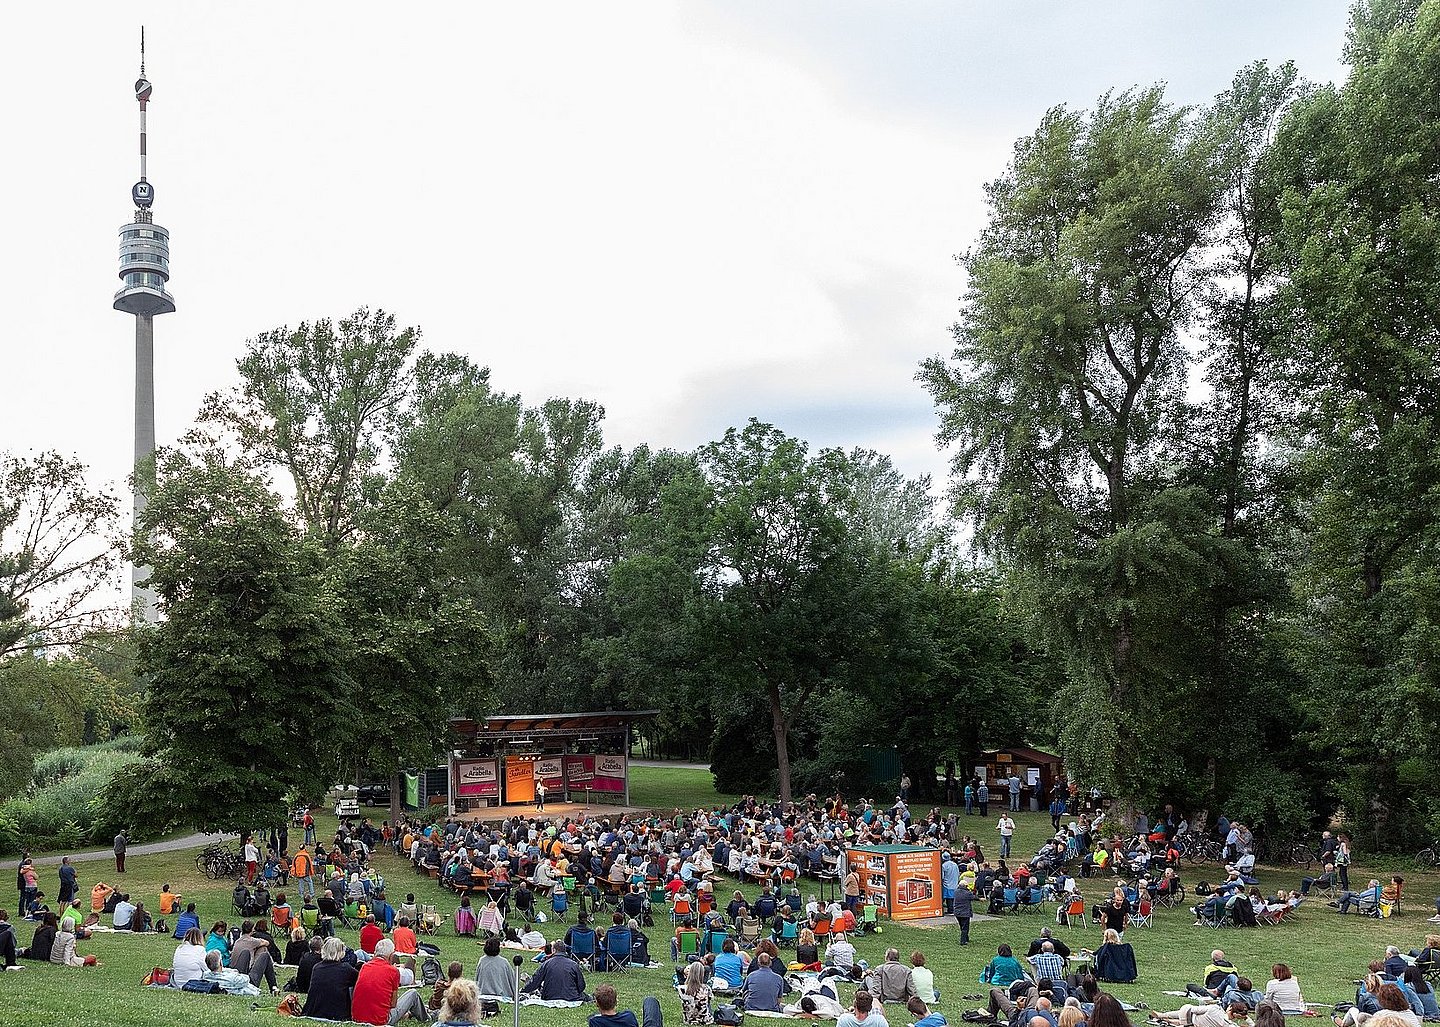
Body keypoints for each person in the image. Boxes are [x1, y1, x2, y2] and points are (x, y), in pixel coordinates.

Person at [353, 938, 430, 1024]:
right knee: (413, 994)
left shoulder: (364, 967)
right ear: (391, 955)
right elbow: (393, 1004)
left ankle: (411, 1013)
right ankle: (426, 1018)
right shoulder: (393, 971)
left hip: (358, 1018)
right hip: (381, 1020)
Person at [303, 937, 358, 1021]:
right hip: (338, 1013)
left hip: (315, 1010)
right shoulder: (346, 968)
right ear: (340, 952)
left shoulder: (316, 967)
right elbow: (358, 981)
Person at [522, 940, 589, 1001]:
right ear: (565, 950)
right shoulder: (573, 965)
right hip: (571, 996)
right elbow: (581, 985)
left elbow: (535, 981)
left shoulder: (546, 964)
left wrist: (522, 991)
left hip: (549, 996)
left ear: (553, 950)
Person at [476, 935, 518, 999]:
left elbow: (477, 979)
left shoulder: (482, 961)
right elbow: (512, 980)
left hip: (483, 993)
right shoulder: (504, 962)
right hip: (501, 994)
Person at [1151, 1001, 1252, 1027]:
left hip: (1187, 1013)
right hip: (1191, 1024)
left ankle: (1163, 1015)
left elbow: (1194, 1009)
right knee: (1189, 1023)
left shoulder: (1215, 1008)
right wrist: (1247, 1018)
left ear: (1230, 1008)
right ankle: (1167, 1021)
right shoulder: (1228, 1024)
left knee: (1187, 1012)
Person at [680, 959, 714, 1025]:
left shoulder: (681, 988)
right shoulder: (706, 988)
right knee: (707, 1000)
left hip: (688, 1020)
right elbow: (711, 998)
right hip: (704, 1020)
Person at [955, 880, 974, 945]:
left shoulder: (956, 892)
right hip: (965, 913)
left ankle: (966, 938)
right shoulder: (967, 893)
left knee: (961, 926)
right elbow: (972, 897)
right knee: (965, 927)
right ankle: (963, 941)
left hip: (957, 913)